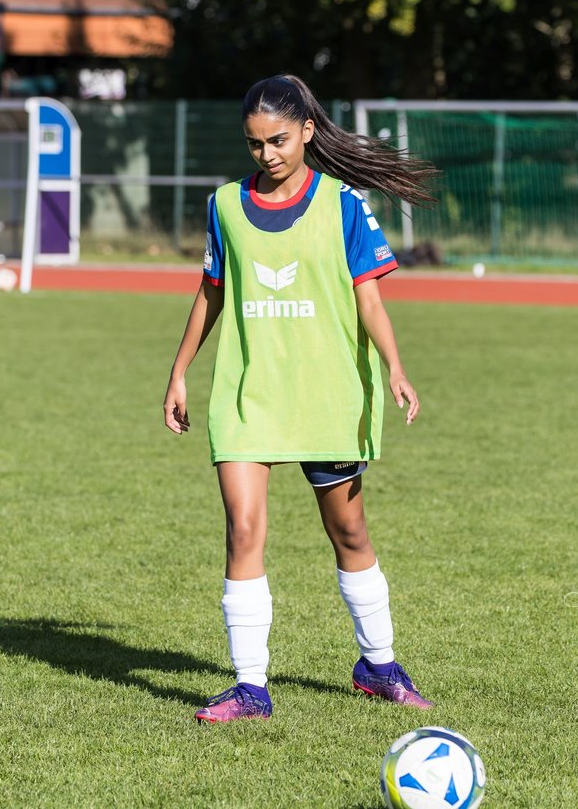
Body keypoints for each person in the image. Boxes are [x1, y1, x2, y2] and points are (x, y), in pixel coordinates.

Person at [162, 74, 439, 723]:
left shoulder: (342, 203)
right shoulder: (224, 205)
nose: (267, 155)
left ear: (308, 131)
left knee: (348, 530)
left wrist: (395, 366)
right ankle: (250, 687)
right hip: (248, 391)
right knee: (243, 528)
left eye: (279, 140)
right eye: (255, 144)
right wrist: (178, 373)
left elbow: (369, 295)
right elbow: (211, 292)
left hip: (326, 391)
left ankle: (378, 664)